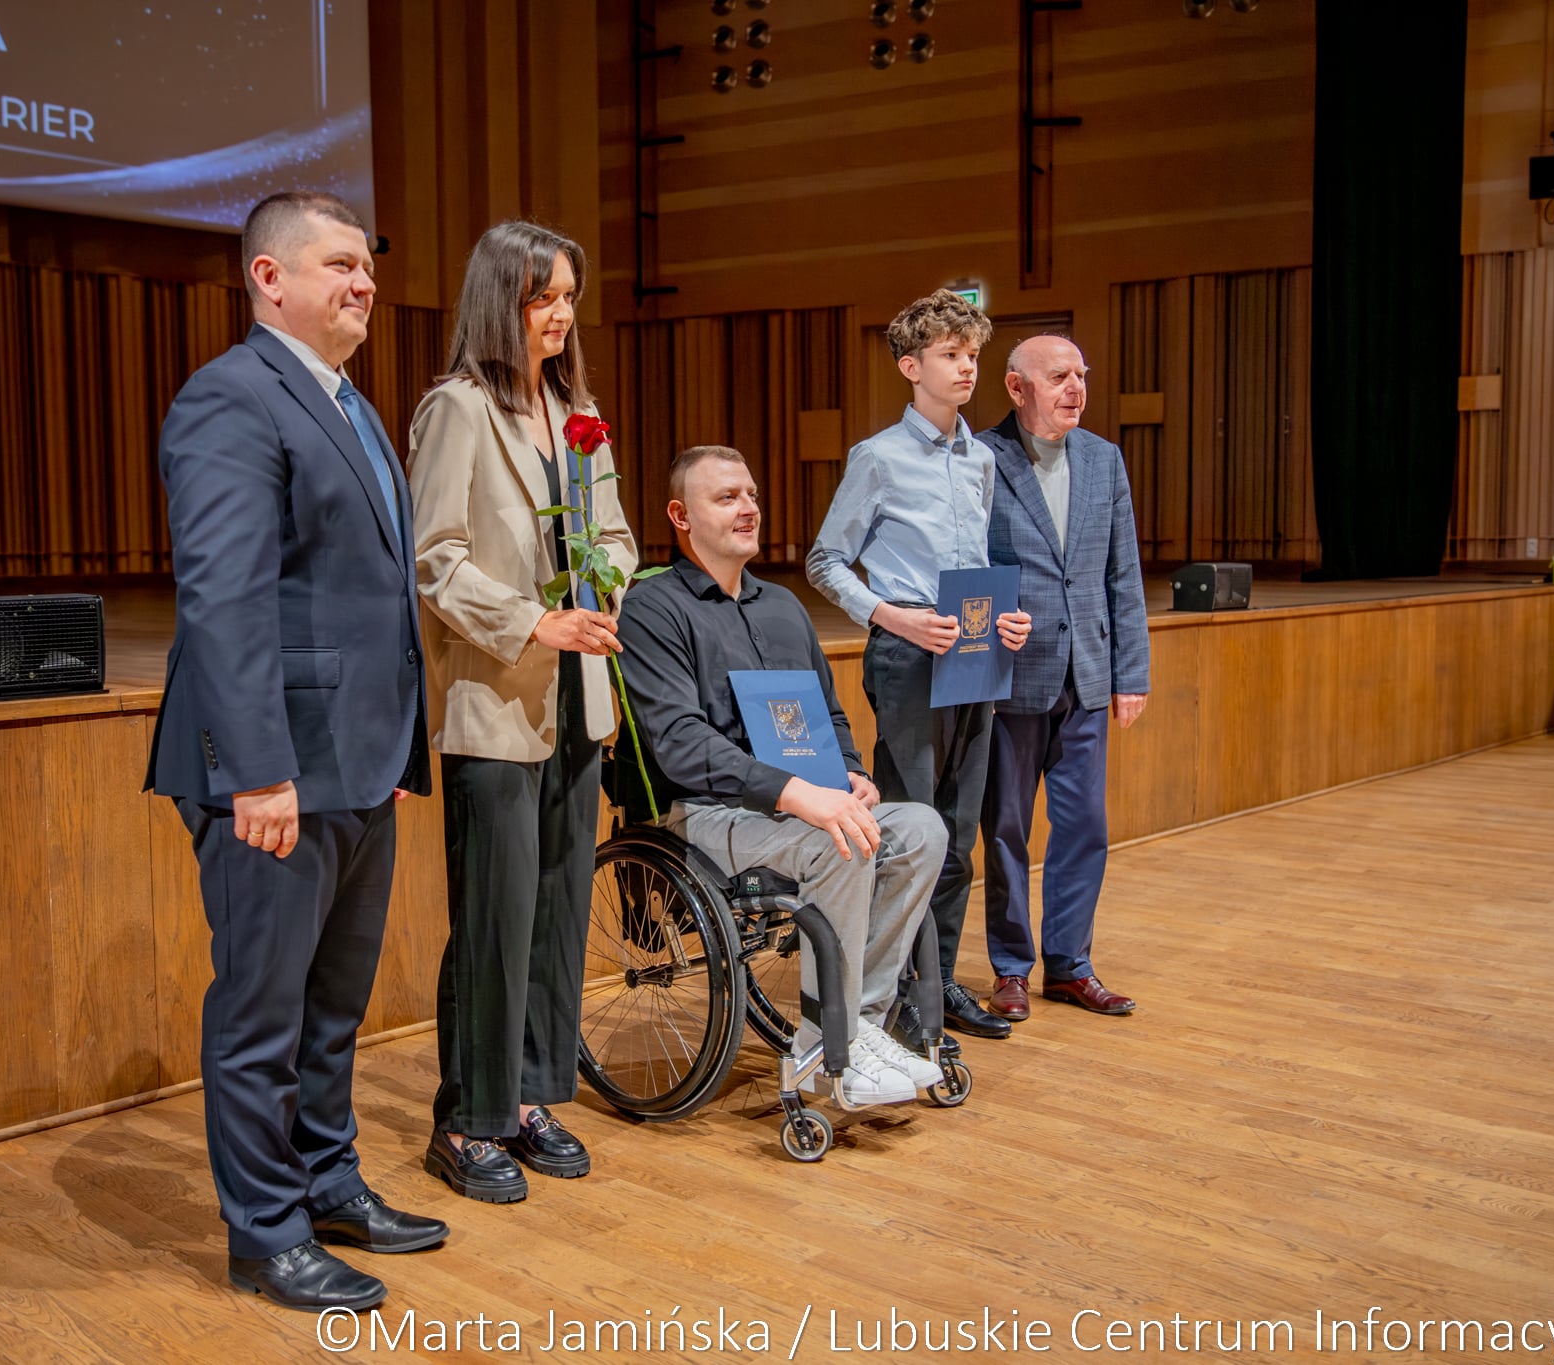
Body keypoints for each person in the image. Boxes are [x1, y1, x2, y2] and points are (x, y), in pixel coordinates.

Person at [145, 191, 448, 1313]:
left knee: (331, 1007)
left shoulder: (354, 408)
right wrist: (255, 769)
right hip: (273, 769)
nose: (363, 282)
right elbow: (221, 601)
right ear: (268, 280)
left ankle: (328, 1181)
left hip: (359, 759)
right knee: (263, 1014)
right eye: (337, 265)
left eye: (367, 267)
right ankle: (263, 1233)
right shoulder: (231, 398)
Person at [615, 446, 960, 1106]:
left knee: (919, 828)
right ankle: (827, 1040)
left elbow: (827, 713)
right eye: (726, 497)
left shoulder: (784, 606)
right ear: (680, 515)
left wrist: (851, 774)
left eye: (750, 493)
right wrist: (802, 795)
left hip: (801, 804)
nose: (748, 507)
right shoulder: (653, 608)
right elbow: (683, 745)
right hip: (706, 809)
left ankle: (854, 1022)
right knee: (842, 839)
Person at [407, 221, 638, 1203]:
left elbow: (617, 534)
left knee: (554, 915)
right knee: (495, 922)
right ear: (499, 300)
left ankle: (533, 1097)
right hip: (497, 700)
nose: (559, 315)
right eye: (542, 297)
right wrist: (533, 622)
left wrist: (608, 585)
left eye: (569, 298)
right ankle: (468, 1119)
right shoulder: (457, 410)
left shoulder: (575, 410)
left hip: (577, 702)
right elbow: (433, 561)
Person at [805, 289, 1031, 1043]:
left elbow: (982, 562)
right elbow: (825, 560)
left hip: (976, 649)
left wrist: (1009, 618)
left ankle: (936, 984)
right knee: (910, 828)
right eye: (950, 356)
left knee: (960, 832)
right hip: (908, 652)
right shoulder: (879, 457)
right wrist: (890, 614)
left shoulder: (982, 458)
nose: (967, 368)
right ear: (911, 366)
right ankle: (892, 989)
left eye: (973, 356)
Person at [975, 335, 1151, 1022]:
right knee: (1006, 830)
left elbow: (1121, 573)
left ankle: (1071, 965)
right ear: (1018, 389)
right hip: (1011, 676)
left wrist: (1129, 673)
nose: (1076, 387)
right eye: (1059, 376)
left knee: (1084, 827)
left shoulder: (1104, 458)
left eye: (1082, 374)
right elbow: (963, 565)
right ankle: (1012, 967)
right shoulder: (982, 459)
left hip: (1088, 674)